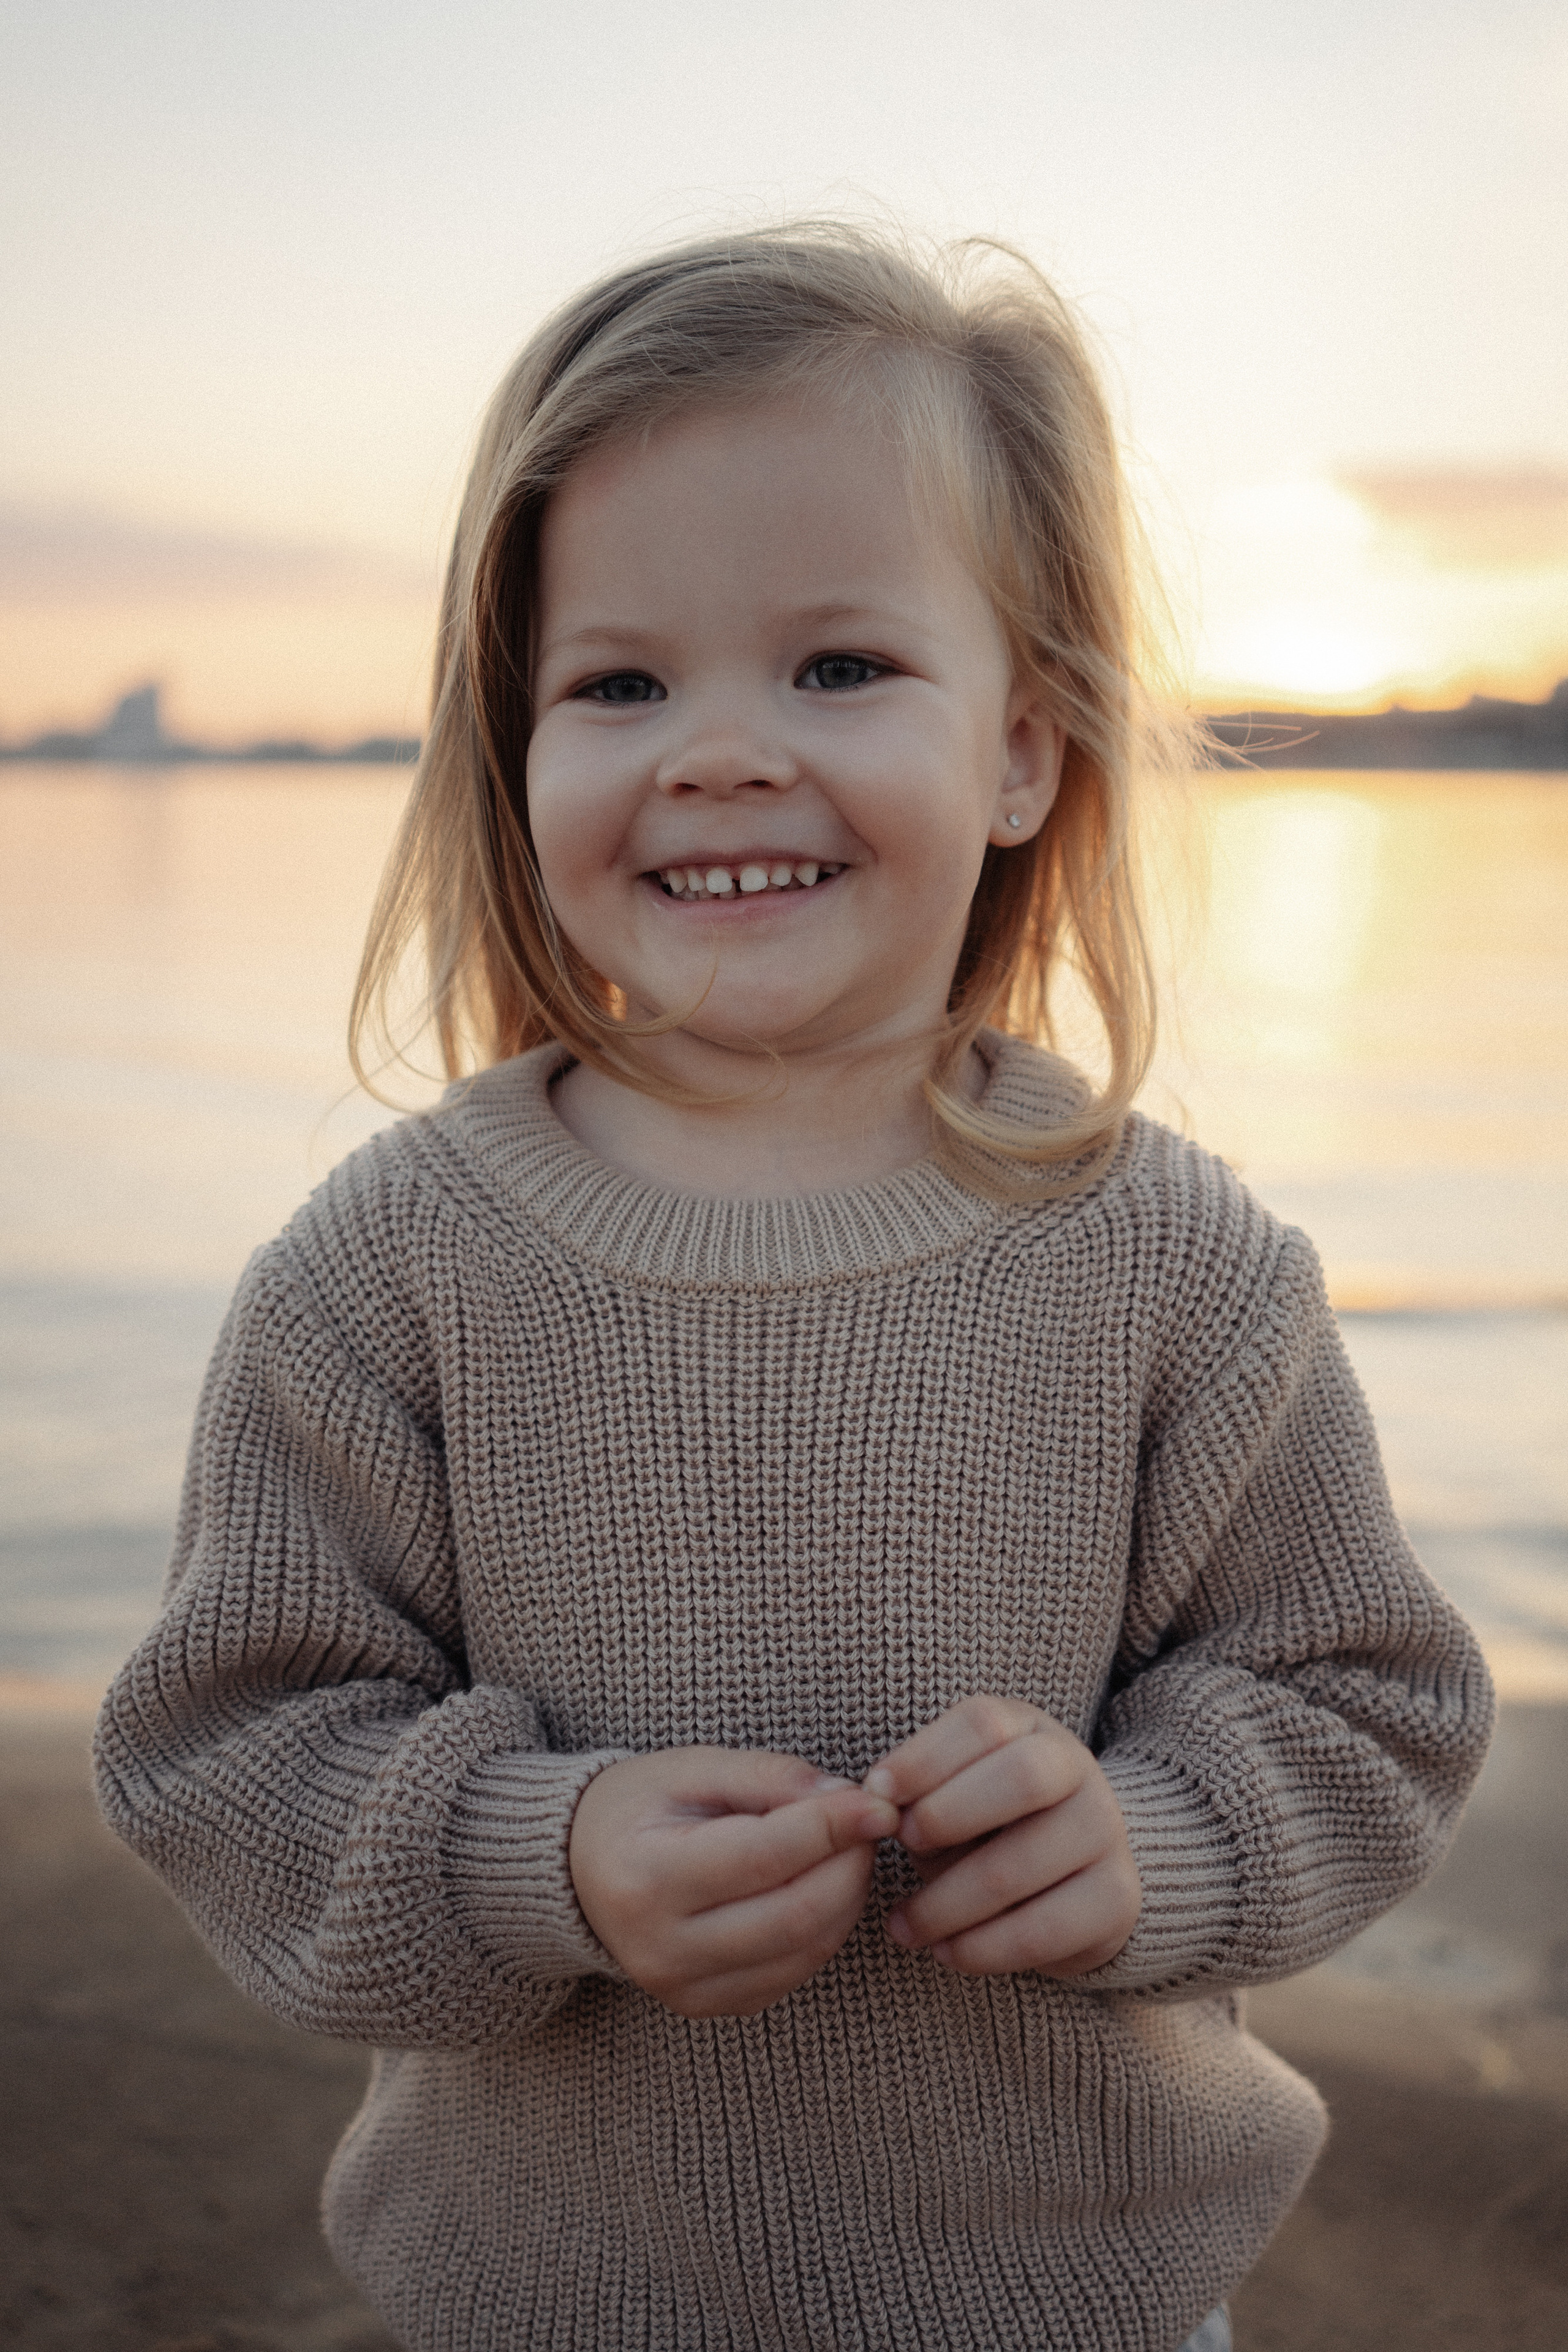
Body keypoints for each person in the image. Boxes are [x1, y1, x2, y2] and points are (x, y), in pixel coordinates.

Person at [94, 225, 1493, 2352]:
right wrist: (531, 1856)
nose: (723, 749)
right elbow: (233, 1748)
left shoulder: (1175, 1267)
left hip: (1082, 2303)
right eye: (622, 683)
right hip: (545, 2303)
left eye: (839, 667)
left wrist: (1157, 1836)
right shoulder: (391, 1275)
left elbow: (1362, 1701)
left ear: (1024, 751)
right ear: (515, 753)